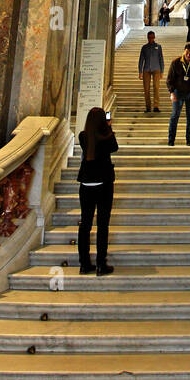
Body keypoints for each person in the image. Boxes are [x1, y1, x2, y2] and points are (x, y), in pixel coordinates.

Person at [77, 108, 117, 276]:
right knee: (102, 225)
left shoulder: (82, 136)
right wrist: (108, 128)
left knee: (85, 224)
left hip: (86, 184)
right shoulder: (107, 137)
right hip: (103, 183)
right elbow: (114, 148)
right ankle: (101, 264)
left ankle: (84, 263)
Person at [167, 41, 190, 146]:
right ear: (184, 52)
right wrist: (171, 93)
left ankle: (189, 140)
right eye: (187, 53)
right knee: (175, 116)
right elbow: (170, 79)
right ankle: (171, 141)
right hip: (178, 92)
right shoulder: (176, 62)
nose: (188, 55)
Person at [138, 30, 164, 112]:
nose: (151, 39)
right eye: (149, 38)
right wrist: (140, 72)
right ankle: (148, 107)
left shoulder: (158, 47)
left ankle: (156, 106)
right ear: (147, 38)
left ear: (154, 37)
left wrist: (162, 71)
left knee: (156, 87)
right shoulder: (144, 47)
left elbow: (161, 59)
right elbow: (141, 60)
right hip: (146, 69)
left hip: (156, 69)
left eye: (152, 37)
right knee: (146, 89)